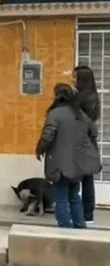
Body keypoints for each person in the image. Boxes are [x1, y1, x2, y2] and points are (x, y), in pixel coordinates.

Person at [36, 83, 100, 229]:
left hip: (60, 164)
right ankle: (79, 224)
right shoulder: (80, 114)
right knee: (75, 196)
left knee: (61, 198)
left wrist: (39, 149)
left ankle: (65, 226)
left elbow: (47, 136)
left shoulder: (54, 114)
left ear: (56, 96)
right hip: (77, 164)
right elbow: (93, 132)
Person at [73, 65, 100, 224]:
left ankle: (82, 212)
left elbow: (77, 118)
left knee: (77, 177)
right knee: (87, 178)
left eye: (75, 77)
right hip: (89, 141)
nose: (73, 80)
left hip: (81, 141)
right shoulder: (93, 96)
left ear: (82, 79)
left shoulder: (83, 97)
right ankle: (87, 213)